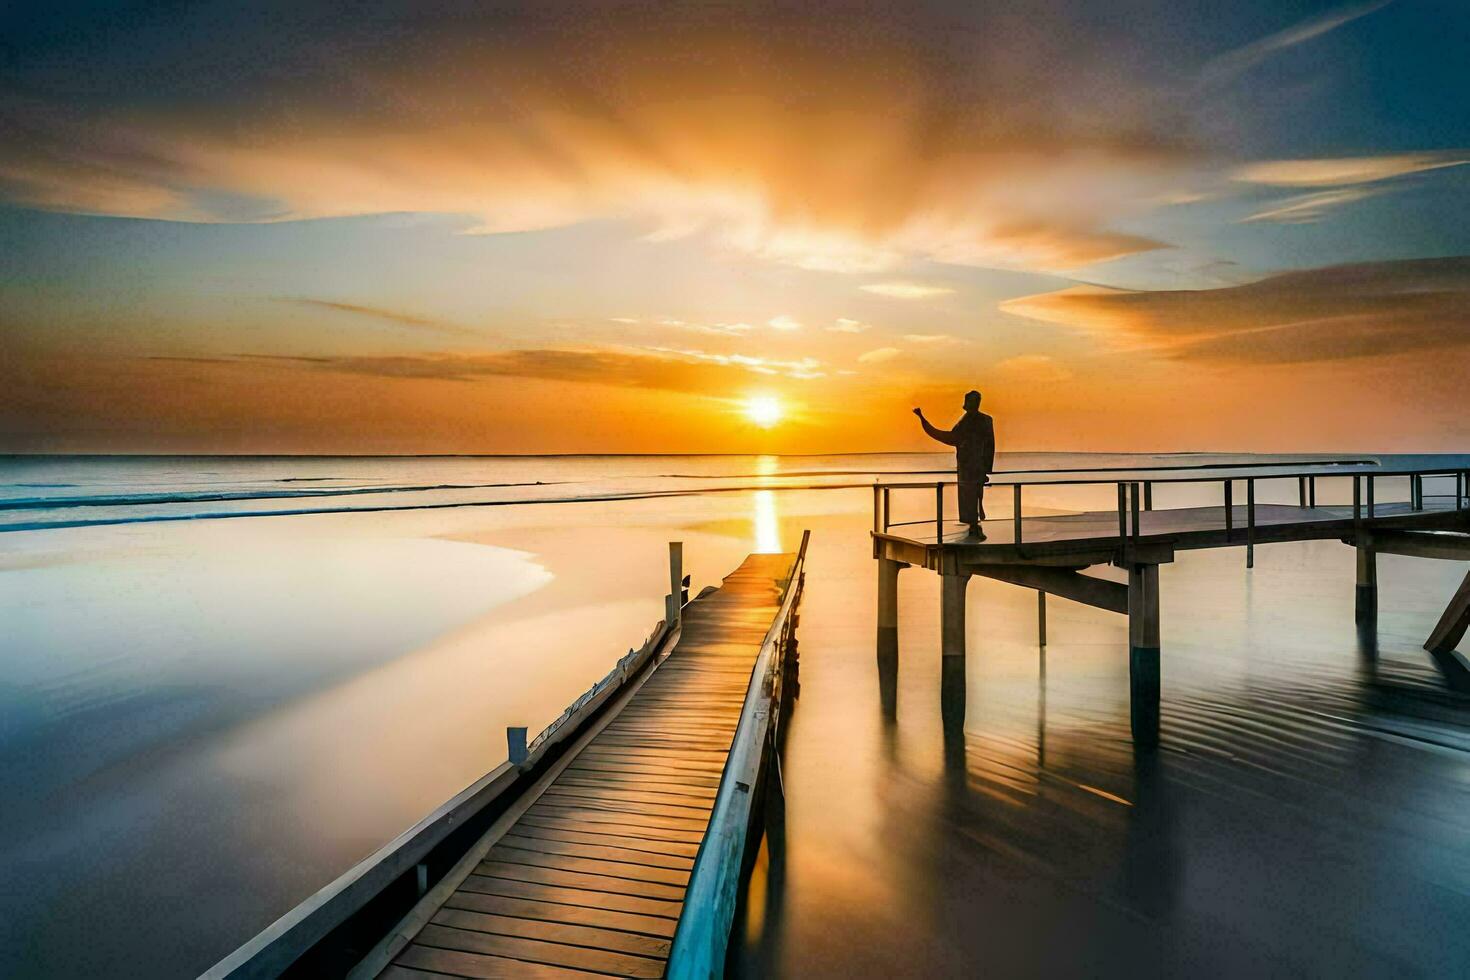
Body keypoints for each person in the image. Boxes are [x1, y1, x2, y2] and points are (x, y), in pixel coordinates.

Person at [914, 390, 995, 538]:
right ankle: (974, 523)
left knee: (969, 497)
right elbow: (990, 446)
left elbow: (950, 437)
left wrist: (923, 421)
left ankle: (974, 525)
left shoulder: (970, 422)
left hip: (969, 467)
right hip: (976, 467)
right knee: (973, 497)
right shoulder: (985, 420)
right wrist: (986, 468)